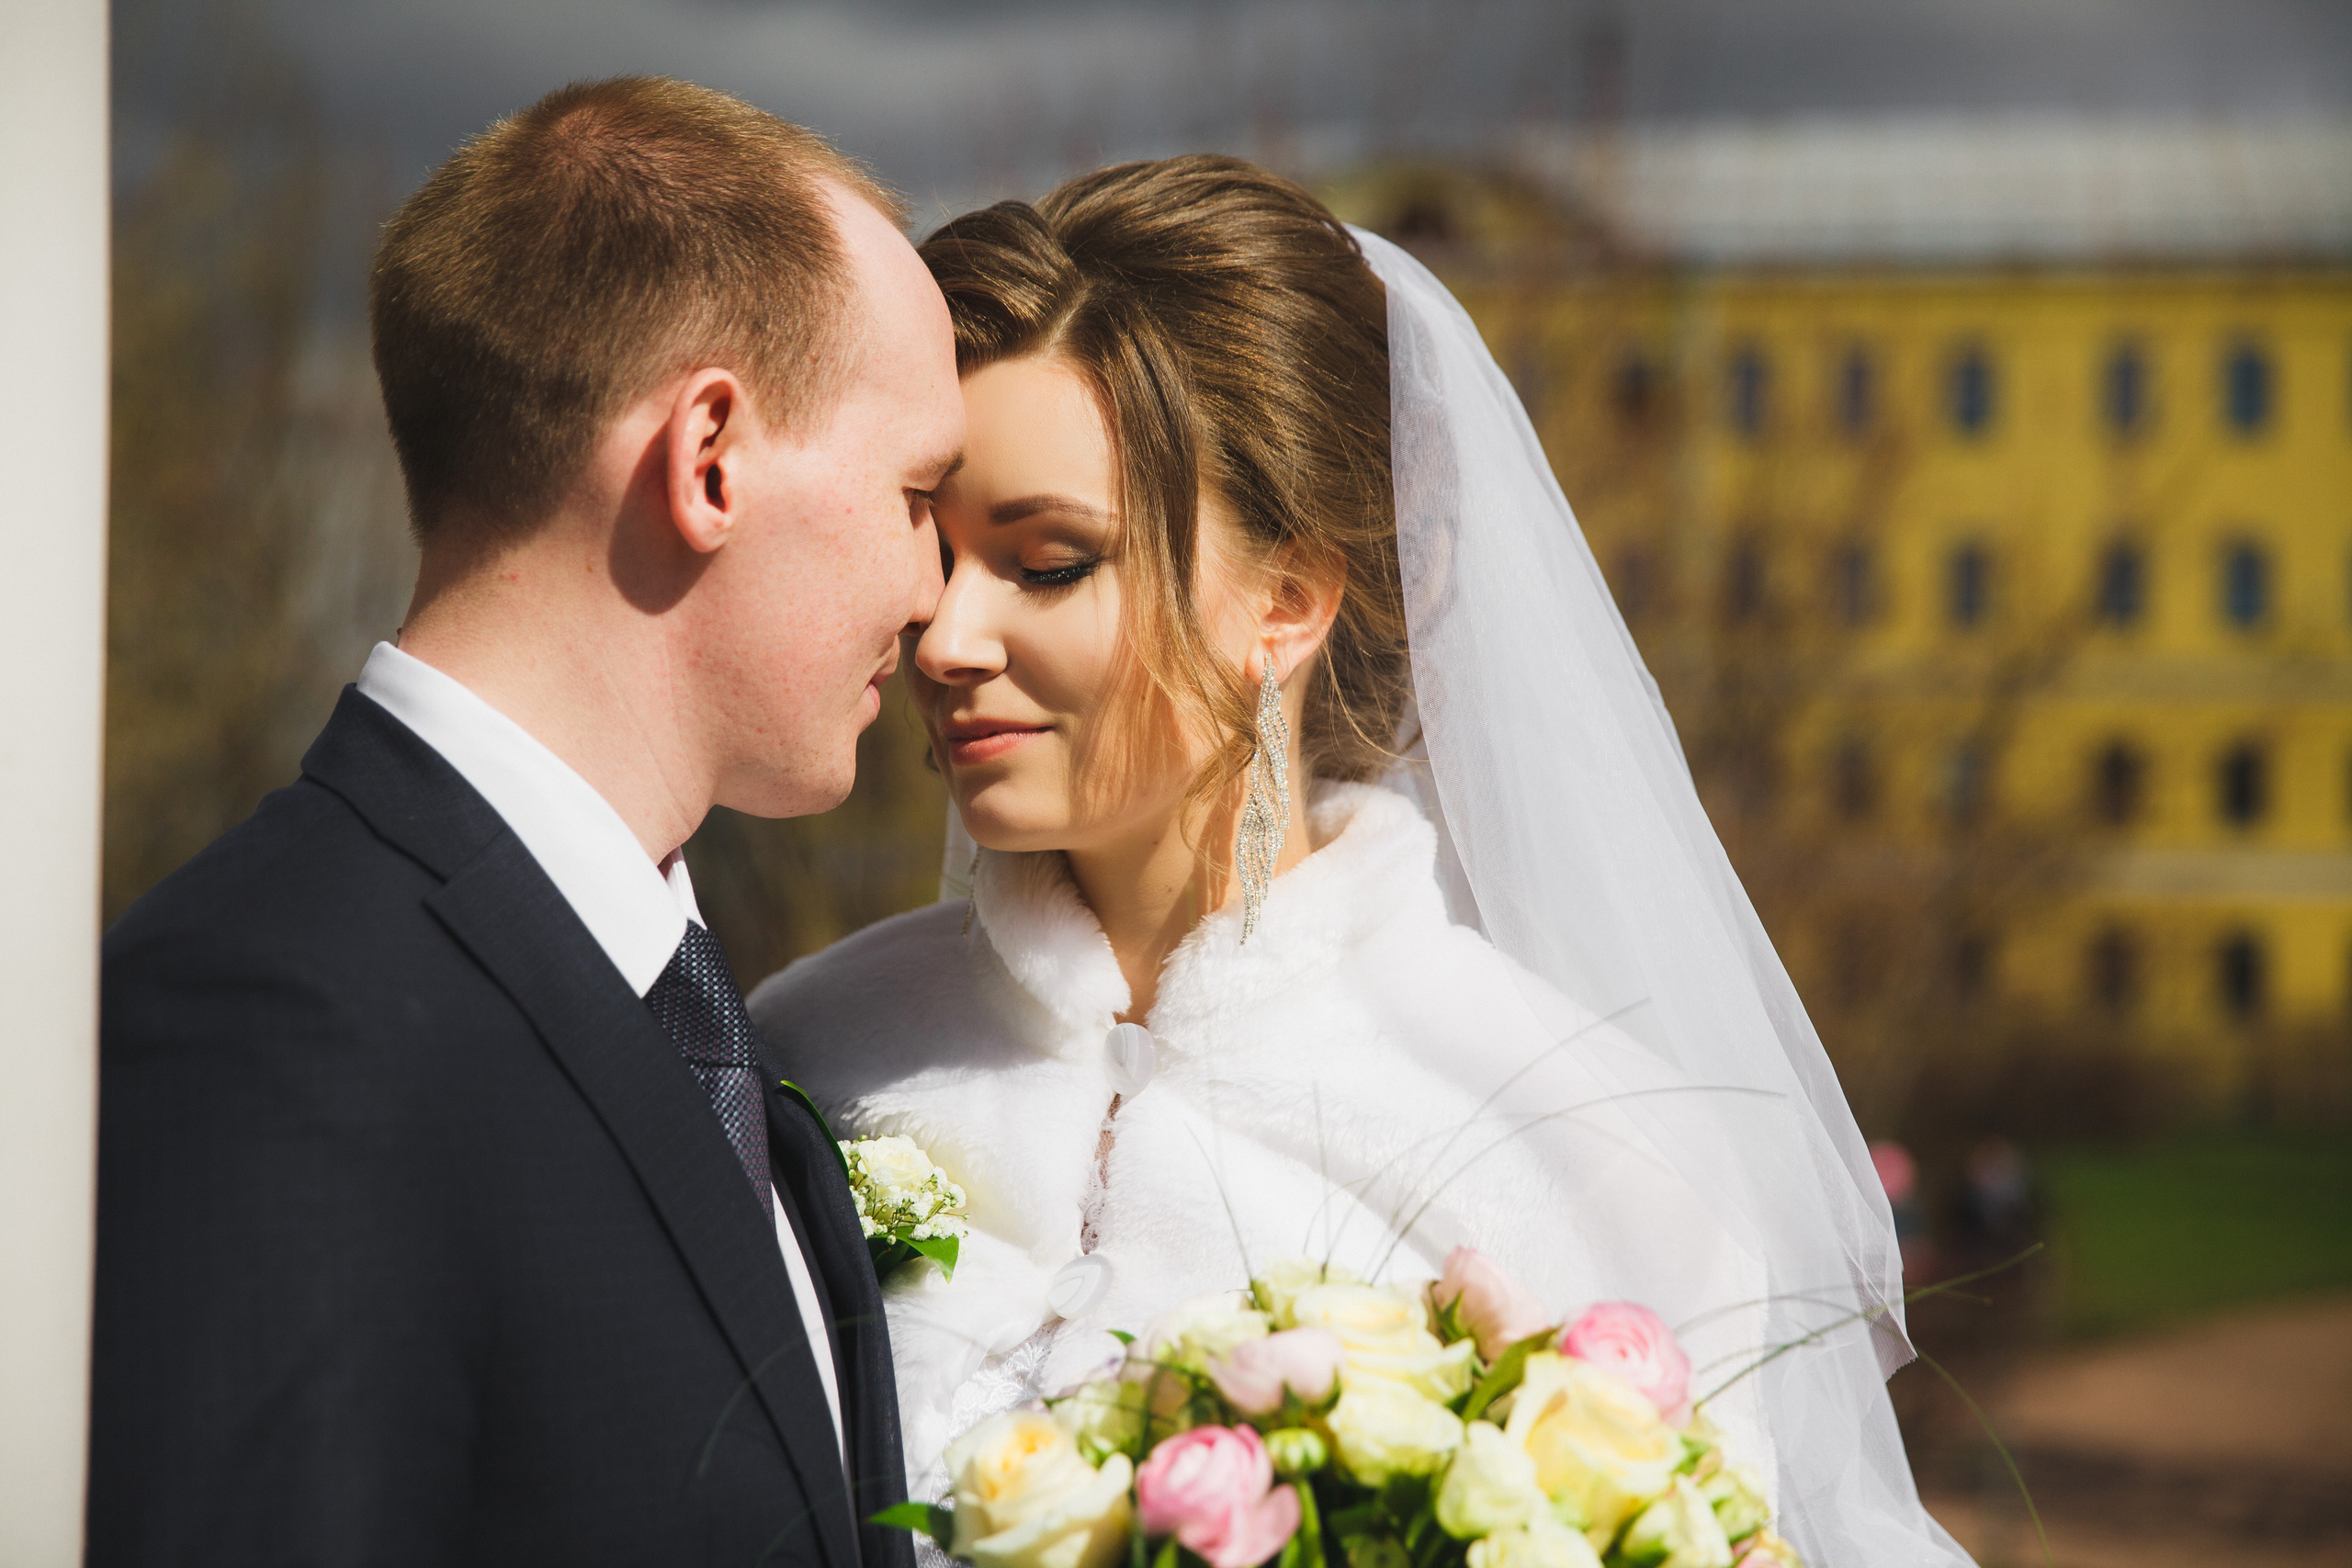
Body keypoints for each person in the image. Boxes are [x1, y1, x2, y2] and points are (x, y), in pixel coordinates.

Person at [753, 157, 1973, 1565]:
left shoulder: (1582, 1140)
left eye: (1046, 562)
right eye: (935, 551)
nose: (946, 637)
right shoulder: (803, 1055)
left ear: (1286, 599)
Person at [90, 77, 960, 1565]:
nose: (936, 592)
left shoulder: (677, 998)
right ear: (710, 460)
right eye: (915, 494)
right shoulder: (277, 1015)